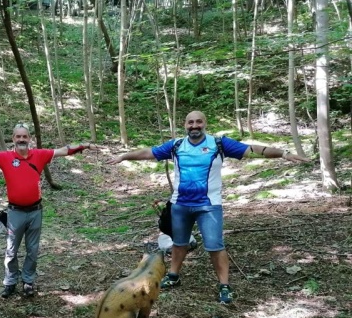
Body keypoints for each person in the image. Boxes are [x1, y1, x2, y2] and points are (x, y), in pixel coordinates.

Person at [106, 110, 310, 304]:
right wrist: (124, 156)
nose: (195, 126)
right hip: (180, 205)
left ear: (205, 124)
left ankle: (224, 285)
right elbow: (149, 152)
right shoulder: (176, 145)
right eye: (190, 122)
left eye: (199, 122)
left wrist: (283, 154)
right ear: (185, 125)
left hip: (209, 206)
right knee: (179, 243)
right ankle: (174, 275)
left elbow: (252, 149)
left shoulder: (219, 144)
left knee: (214, 245)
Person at [0, 123, 97, 298]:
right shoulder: (4, 157)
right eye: (18, 136)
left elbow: (64, 150)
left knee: (33, 249)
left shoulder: (40, 154)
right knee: (11, 250)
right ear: (13, 139)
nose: (21, 139)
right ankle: (10, 281)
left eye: (24, 136)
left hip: (36, 211)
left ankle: (28, 281)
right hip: (15, 213)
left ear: (29, 139)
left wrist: (85, 146)